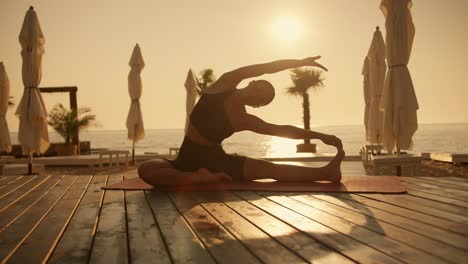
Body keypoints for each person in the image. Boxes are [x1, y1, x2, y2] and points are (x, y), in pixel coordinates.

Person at [138, 56, 345, 186]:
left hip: (216, 161)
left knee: (268, 169)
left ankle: (325, 172)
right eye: (261, 90)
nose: (260, 97)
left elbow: (282, 130)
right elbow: (267, 67)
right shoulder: (224, 83)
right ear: (252, 82)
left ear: (258, 106)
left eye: (263, 101)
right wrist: (298, 63)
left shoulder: (244, 119)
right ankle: (197, 178)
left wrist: (320, 136)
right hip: (187, 158)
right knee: (146, 169)